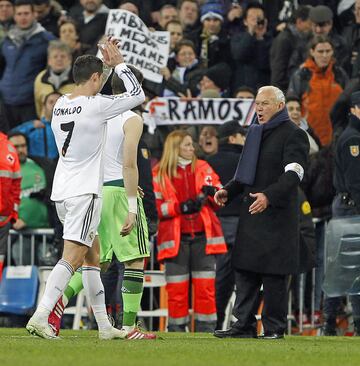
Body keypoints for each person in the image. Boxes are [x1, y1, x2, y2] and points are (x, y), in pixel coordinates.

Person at [26, 40, 145, 340]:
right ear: (94, 78)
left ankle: (105, 327)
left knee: (92, 259)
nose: (104, 81)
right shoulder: (98, 106)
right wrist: (118, 63)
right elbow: (137, 94)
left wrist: (103, 65)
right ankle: (41, 315)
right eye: (101, 77)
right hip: (85, 192)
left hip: (62, 191)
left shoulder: (61, 104)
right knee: (72, 257)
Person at [214, 86, 309, 339]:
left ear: (280, 106)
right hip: (252, 214)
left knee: (274, 275)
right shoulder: (254, 133)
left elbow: (295, 173)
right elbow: (246, 175)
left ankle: (274, 328)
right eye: (257, 104)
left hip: (277, 216)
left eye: (264, 104)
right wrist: (229, 191)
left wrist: (269, 196)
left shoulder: (294, 135)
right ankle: (242, 325)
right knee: (245, 271)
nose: (259, 109)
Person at [153, 130, 227, 332]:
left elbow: (220, 195)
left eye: (191, 145)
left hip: (203, 238)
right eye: (187, 145)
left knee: (206, 289)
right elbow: (156, 208)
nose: (192, 148)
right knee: (176, 291)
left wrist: (212, 193)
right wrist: (181, 207)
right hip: (176, 242)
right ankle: (177, 331)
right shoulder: (159, 173)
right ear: (175, 148)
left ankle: (207, 330)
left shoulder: (203, 167)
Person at [323, 90, 360, 336]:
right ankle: (334, 322)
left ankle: (330, 322)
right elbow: (356, 181)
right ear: (355, 109)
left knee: (345, 266)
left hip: (349, 206)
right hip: (352, 207)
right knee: (347, 266)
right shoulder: (353, 139)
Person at [207, 120, 246, 330]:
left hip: (216, 223)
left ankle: (216, 318)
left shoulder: (209, 162)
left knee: (219, 275)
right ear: (233, 138)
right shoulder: (245, 161)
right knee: (243, 275)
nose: (245, 139)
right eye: (242, 135)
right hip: (241, 223)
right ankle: (240, 320)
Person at [0, 0, 56, 128]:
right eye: (19, 14)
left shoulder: (47, 40)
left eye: (26, 13)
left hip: (29, 103)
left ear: (34, 14)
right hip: (6, 102)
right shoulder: (7, 40)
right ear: (14, 16)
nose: (22, 17)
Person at [288, 35, 348, 146]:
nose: (324, 55)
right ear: (312, 52)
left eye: (328, 51)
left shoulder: (340, 75)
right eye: (320, 51)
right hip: (309, 139)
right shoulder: (301, 76)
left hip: (336, 138)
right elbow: (292, 106)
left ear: (332, 52)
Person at [7, 131, 56, 265]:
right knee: (24, 275)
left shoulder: (41, 165)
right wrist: (12, 220)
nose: (20, 150)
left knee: (48, 277)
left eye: (23, 146)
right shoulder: (5, 170)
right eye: (15, 147)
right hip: (20, 236)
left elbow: (54, 192)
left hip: (47, 233)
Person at [230, 1, 272, 91]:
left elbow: (265, 64)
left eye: (259, 18)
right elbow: (239, 55)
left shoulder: (270, 40)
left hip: (263, 88)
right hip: (242, 87)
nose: (256, 21)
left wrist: (260, 38)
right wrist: (250, 33)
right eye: (252, 18)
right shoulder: (237, 38)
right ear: (245, 21)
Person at [270, 5, 312, 91]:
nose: (313, 27)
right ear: (299, 22)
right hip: (286, 93)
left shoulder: (301, 38)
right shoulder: (284, 40)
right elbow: (278, 73)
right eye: (310, 23)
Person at [11, 92, 61, 160]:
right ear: (44, 106)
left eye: (59, 102)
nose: (55, 105)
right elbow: (11, 135)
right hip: (36, 166)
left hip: (59, 165)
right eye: (51, 102)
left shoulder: (69, 127)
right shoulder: (33, 127)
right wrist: (30, 126)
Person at [34, 40, 74, 118]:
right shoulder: (40, 78)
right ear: (49, 61)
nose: (59, 59)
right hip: (47, 125)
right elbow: (38, 105)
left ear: (70, 59)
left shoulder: (79, 80)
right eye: (55, 56)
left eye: (63, 56)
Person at [0, 129, 21, 280]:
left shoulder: (10, 149)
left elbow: (16, 185)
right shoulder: (10, 149)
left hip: (3, 221)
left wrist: (13, 214)